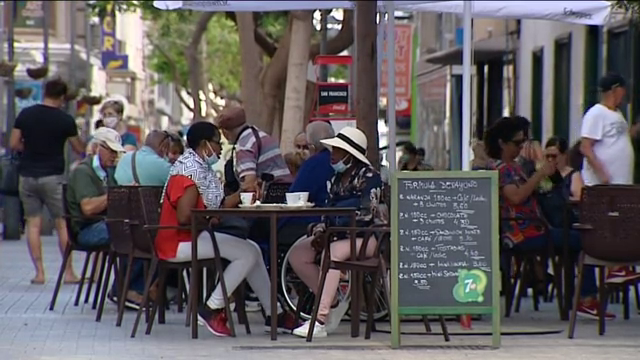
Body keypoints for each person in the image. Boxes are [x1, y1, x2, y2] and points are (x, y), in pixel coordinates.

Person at [155, 122, 296, 337]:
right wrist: (210, 218)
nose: (220, 149)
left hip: (193, 235)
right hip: (178, 241)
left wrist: (242, 193)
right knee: (246, 253)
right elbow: (185, 216)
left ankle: (274, 314)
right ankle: (212, 309)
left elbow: (218, 204)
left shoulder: (200, 166)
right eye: (217, 143)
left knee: (253, 250)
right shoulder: (189, 170)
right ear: (204, 144)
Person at [485, 117, 610, 319]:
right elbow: (516, 197)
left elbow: (549, 189)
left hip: (536, 227)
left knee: (576, 237)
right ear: (502, 143)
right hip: (522, 233)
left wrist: (546, 173)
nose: (520, 148)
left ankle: (578, 298)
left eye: (523, 143)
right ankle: (585, 299)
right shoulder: (502, 169)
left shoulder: (516, 167)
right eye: (517, 143)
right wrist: (538, 175)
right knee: (582, 239)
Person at [289, 127, 383, 338]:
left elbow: (366, 216)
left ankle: (319, 319)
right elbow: (326, 213)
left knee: (332, 253)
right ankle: (332, 302)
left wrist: (332, 233)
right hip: (337, 236)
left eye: (338, 151)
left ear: (350, 155)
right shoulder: (335, 180)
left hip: (367, 238)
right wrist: (320, 231)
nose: (333, 155)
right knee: (297, 253)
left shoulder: (370, 178)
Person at [10, 78, 85, 285]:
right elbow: (79, 149)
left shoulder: (26, 114)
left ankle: (40, 273)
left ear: (44, 92)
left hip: (27, 176)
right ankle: (69, 272)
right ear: (62, 97)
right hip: (53, 177)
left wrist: (30, 148)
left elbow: (13, 143)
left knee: (33, 225)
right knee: (62, 225)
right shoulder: (65, 120)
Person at [580, 73, 640, 283]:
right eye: (623, 89)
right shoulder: (596, 114)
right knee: (609, 226)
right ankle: (614, 268)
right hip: (604, 184)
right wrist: (602, 172)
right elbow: (586, 146)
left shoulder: (618, 115)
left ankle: (619, 267)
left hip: (621, 184)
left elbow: (619, 140)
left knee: (622, 223)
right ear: (616, 89)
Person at [278, 121, 335, 247]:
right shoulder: (337, 160)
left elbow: (295, 198)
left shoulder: (314, 164)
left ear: (312, 147)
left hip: (312, 223)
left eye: (306, 147)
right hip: (333, 220)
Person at [538, 137, 583, 229]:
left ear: (564, 155)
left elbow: (580, 199)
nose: (550, 160)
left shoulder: (574, 175)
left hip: (564, 222)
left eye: (554, 156)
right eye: (547, 156)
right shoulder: (540, 174)